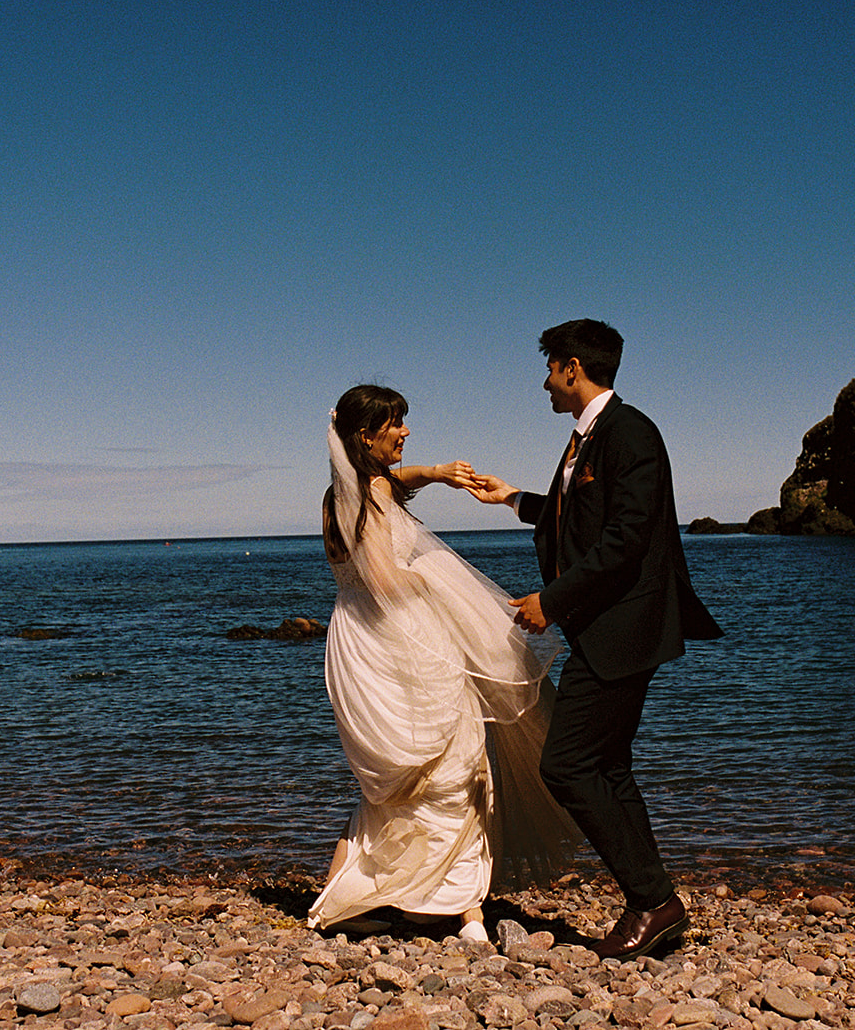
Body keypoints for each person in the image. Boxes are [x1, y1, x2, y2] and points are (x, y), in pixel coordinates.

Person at [468, 319, 723, 960]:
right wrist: (513, 498)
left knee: (567, 764)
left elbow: (626, 537)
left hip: (625, 628)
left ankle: (652, 900)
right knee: (607, 766)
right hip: (606, 628)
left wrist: (551, 602)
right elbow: (577, 517)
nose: (545, 383)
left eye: (550, 369)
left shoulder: (629, 432)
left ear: (573, 368)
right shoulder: (589, 437)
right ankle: (656, 902)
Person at [309, 384, 579, 941]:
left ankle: (353, 891)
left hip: (359, 641)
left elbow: (391, 482)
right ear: (366, 435)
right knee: (456, 762)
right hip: (403, 641)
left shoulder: (341, 493)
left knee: (400, 780)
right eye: (395, 424)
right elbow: (384, 579)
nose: (406, 432)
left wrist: (434, 473)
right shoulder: (371, 495)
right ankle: (464, 909)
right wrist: (449, 586)